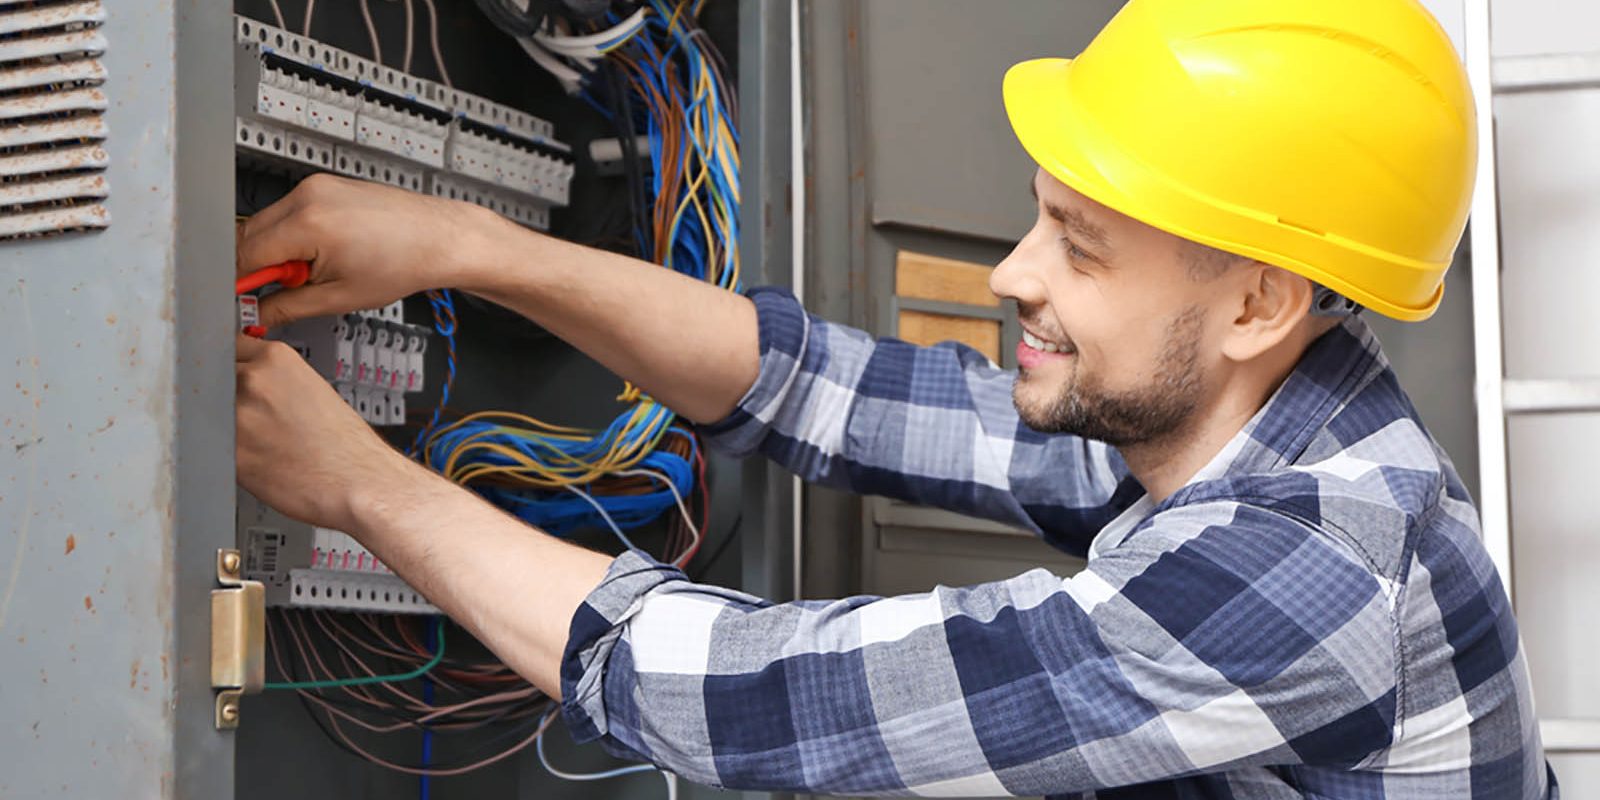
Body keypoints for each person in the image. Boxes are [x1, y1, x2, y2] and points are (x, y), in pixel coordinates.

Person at [234, 0, 1555, 796]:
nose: (1015, 279)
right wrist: (469, 245)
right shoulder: (1249, 412)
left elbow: (759, 698)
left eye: (1080, 250)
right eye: (1041, 222)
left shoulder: (1311, 568)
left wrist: (354, 482)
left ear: (1260, 302)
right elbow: (842, 394)